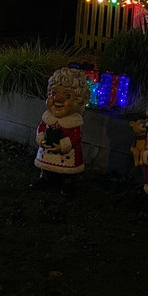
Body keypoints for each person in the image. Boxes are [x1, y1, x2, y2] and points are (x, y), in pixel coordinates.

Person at [30, 67, 91, 198]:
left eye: (67, 96)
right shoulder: (49, 118)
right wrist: (41, 138)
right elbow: (41, 128)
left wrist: (63, 145)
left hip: (68, 155)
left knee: (68, 171)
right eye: (53, 94)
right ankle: (45, 177)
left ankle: (67, 182)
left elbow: (76, 137)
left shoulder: (74, 121)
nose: (58, 99)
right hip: (48, 150)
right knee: (46, 165)